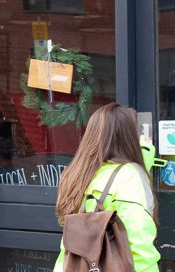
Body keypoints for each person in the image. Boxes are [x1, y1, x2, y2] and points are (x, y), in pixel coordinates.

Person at [54, 103, 161, 271]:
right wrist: (142, 154)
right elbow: (139, 248)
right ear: (129, 138)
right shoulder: (130, 176)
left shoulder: (79, 175)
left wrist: (143, 155)